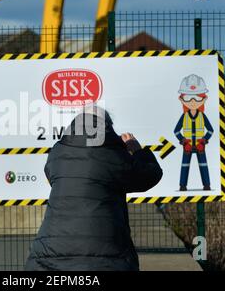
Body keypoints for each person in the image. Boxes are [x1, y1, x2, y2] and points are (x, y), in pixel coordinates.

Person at [25, 106, 163, 271]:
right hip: (104, 255)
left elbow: (51, 175)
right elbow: (150, 176)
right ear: (107, 127)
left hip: (50, 254)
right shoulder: (114, 153)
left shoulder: (58, 150)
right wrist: (137, 150)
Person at [173, 74, 213, 191]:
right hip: (188, 146)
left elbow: (210, 130)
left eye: (197, 98)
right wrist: (183, 141)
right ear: (182, 99)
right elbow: (176, 130)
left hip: (200, 146)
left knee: (203, 166)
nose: (193, 101)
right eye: (188, 98)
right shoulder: (184, 116)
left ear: (203, 99)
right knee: (185, 166)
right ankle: (182, 185)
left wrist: (204, 140)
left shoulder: (202, 116)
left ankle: (206, 185)